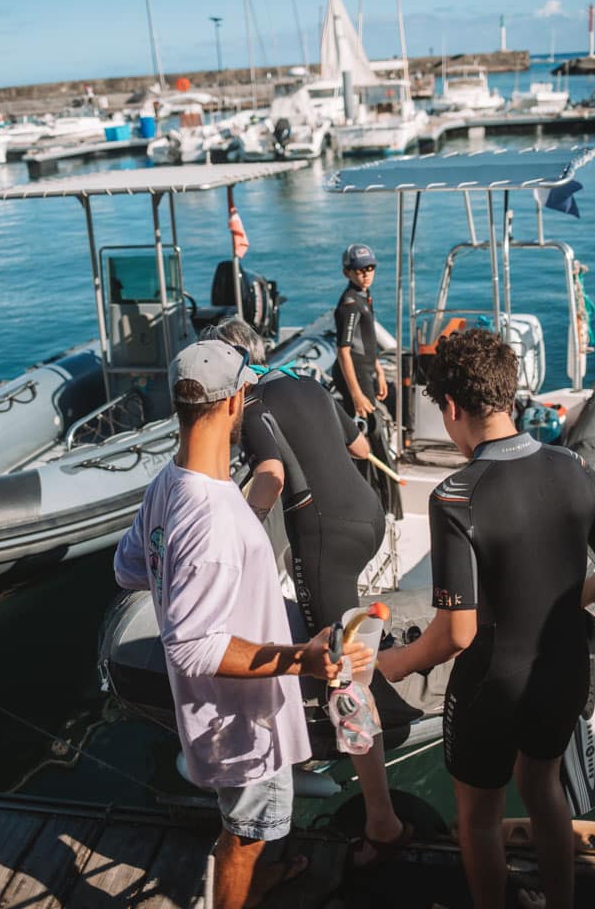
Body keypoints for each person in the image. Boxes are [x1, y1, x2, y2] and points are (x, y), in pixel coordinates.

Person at [377, 328, 595, 909]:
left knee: (478, 815)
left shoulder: (456, 496)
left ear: (449, 407)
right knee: (543, 786)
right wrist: (566, 598)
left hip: (491, 687)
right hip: (564, 667)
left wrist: (394, 663)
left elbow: (457, 634)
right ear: (509, 394)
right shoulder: (573, 466)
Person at [113, 339, 372, 909]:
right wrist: (301, 658)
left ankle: (258, 885)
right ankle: (238, 898)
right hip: (241, 722)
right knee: (245, 838)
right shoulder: (216, 522)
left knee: (252, 828)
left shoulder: (168, 484)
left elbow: (129, 567)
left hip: (214, 711)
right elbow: (193, 649)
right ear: (235, 404)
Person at [201, 319, 409, 870]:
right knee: (341, 634)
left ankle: (382, 821)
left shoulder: (248, 404)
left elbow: (269, 474)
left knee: (345, 675)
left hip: (324, 537)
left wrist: (237, 538)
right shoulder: (306, 380)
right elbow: (359, 445)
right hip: (367, 514)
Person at [332, 243, 387, 419]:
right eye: (359, 270)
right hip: (355, 371)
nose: (366, 274)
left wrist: (379, 371)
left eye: (370, 268)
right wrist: (356, 395)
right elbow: (343, 351)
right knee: (369, 425)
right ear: (346, 272)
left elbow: (367, 339)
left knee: (370, 425)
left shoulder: (364, 294)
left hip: (365, 368)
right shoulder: (350, 304)